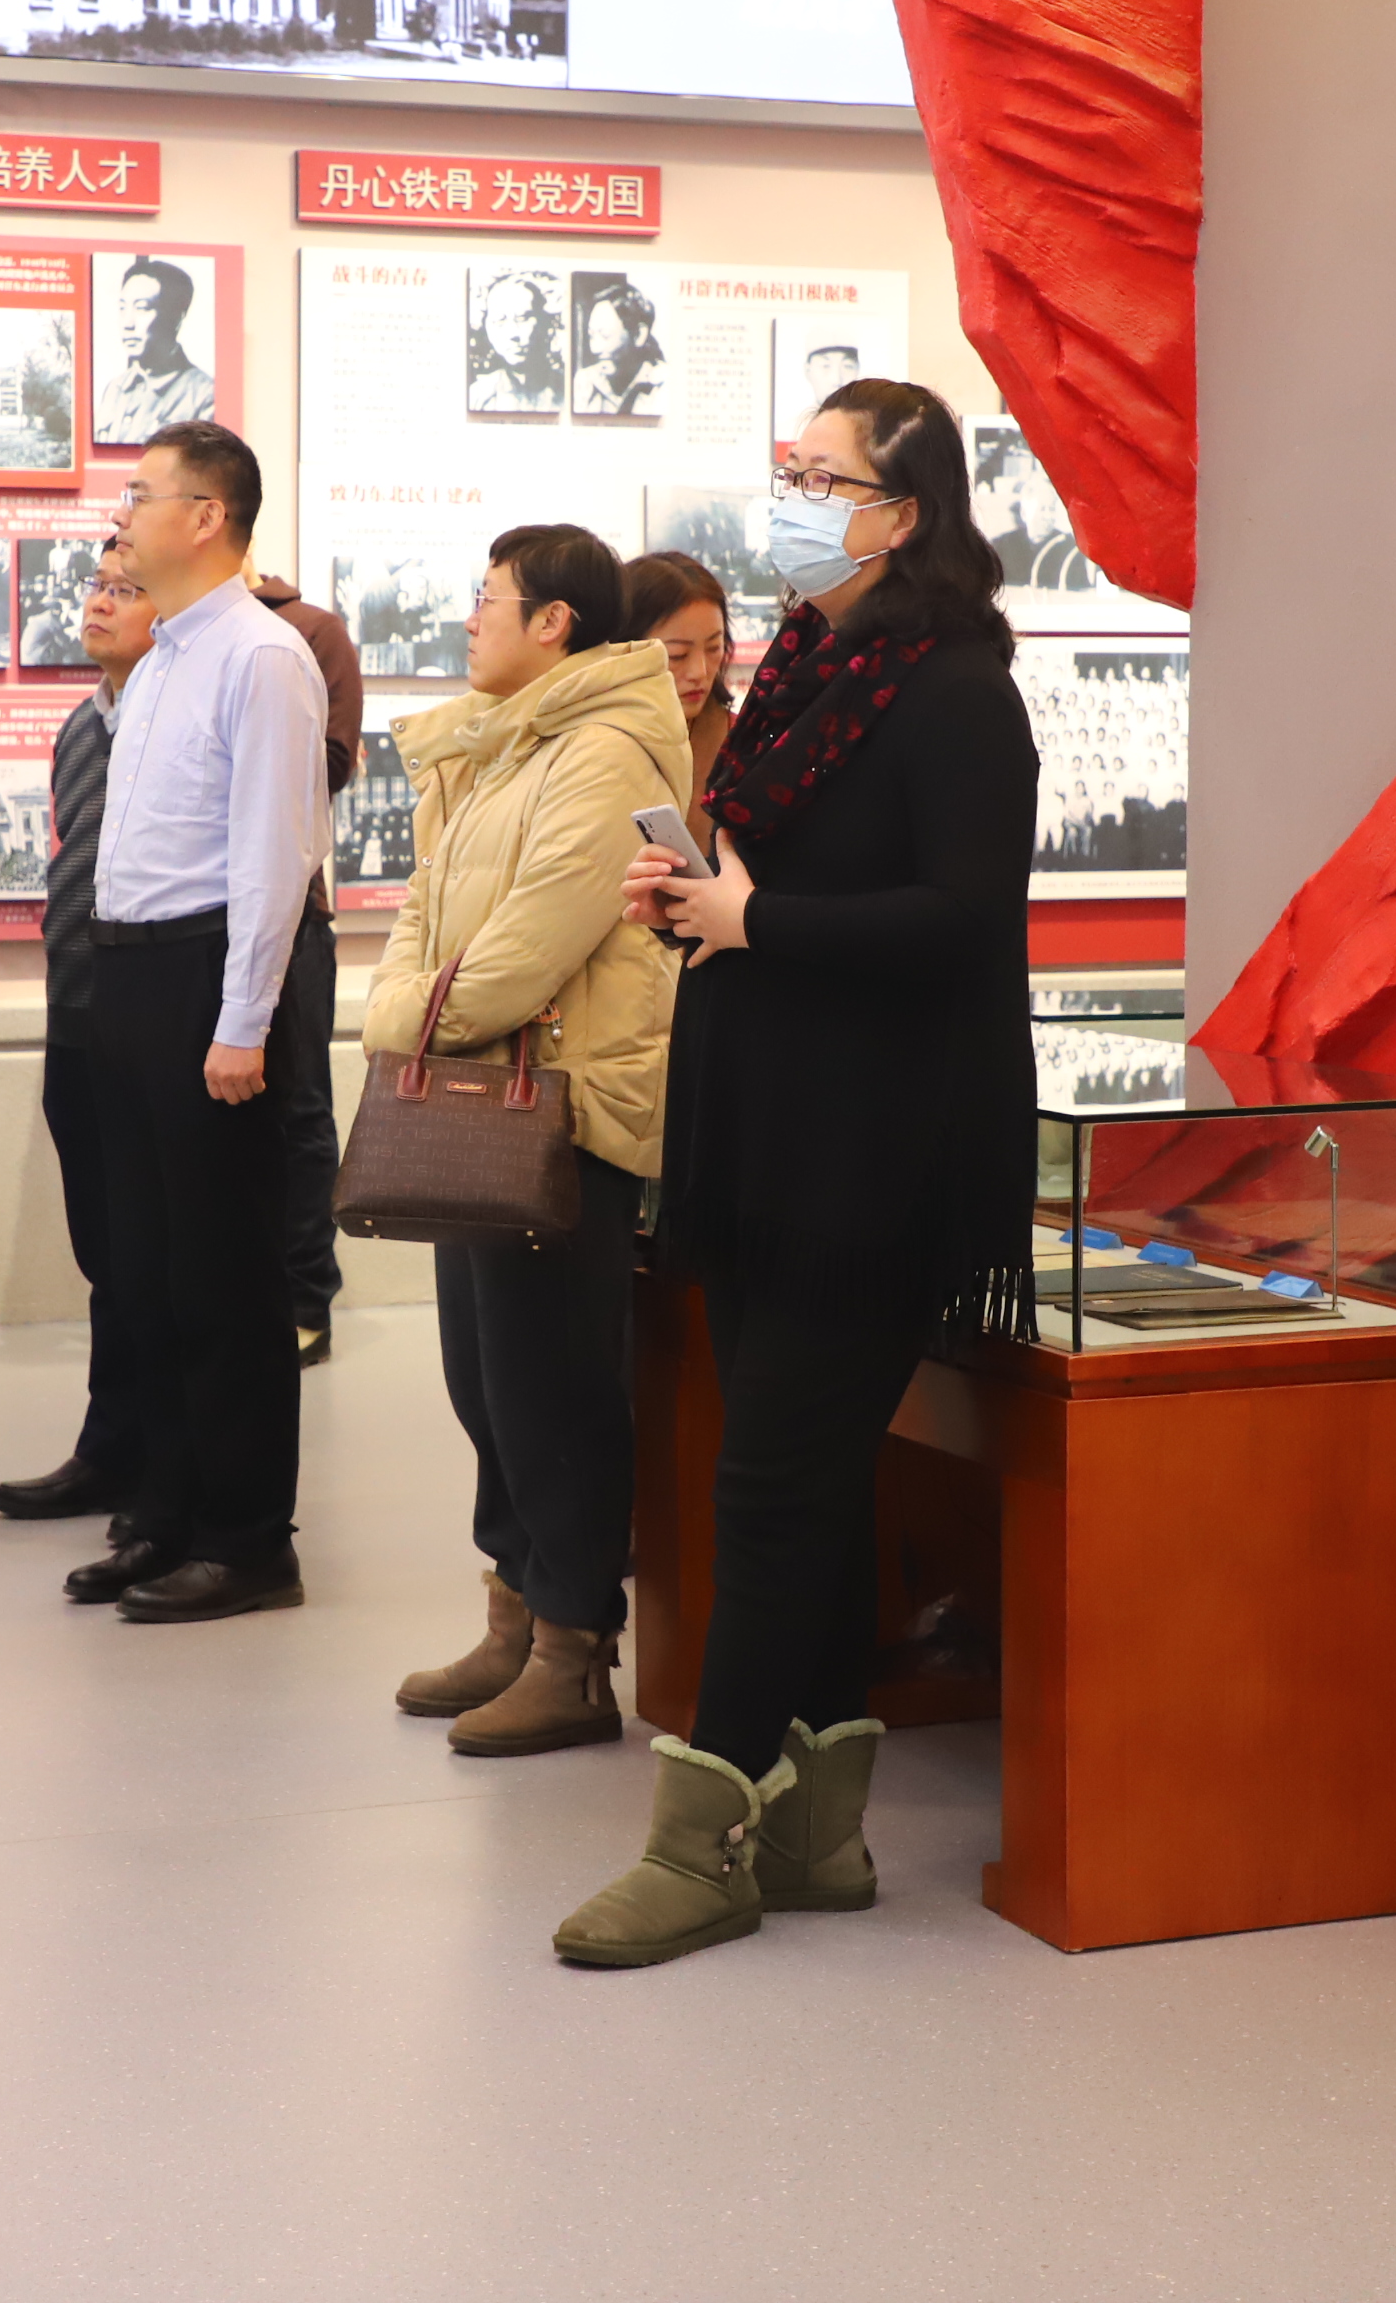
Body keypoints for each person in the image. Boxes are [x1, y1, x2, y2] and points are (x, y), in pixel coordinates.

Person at [568, 377, 1036, 1969]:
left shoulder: (958, 691)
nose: (792, 496)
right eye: (790, 467)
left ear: (902, 515)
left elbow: (961, 920)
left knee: (772, 1486)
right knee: (807, 1489)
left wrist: (754, 918)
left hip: (877, 1157)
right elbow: (789, 885)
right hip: (769, 1133)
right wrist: (694, 898)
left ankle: (698, 1846)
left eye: (823, 477)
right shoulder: (807, 668)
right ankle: (820, 1838)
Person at [369, 524, 688, 1755]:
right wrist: (408, 1002)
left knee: (552, 1388)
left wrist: (397, 1020)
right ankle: (510, 1611)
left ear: (553, 621)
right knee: (483, 1380)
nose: (469, 617)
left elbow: (529, 941)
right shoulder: (504, 742)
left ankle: (572, 1648)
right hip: (477, 1088)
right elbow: (426, 905)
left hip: (559, 1109)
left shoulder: (602, 750)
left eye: (488, 596)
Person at [70, 420, 330, 1622]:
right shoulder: (164, 653)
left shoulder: (261, 655)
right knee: (145, 1269)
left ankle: (247, 1538)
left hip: (203, 978)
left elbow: (272, 855)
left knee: (224, 1278)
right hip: (127, 975)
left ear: (207, 516)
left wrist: (241, 1021)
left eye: (141, 493)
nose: (120, 515)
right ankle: (162, 1513)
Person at [0, 551, 160, 1522]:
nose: (98, 602)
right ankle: (113, 1447)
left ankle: (165, 1465)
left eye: (125, 589)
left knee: (153, 1251)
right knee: (104, 1248)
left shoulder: (178, 717)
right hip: (79, 1009)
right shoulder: (82, 719)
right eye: (96, 585)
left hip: (154, 1012)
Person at [244, 558, 365, 1368]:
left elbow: (328, 767)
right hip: (188, 923)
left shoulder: (309, 631)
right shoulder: (167, 638)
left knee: (297, 1109)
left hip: (289, 912)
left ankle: (303, 1297)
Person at [623, 549, 737, 796]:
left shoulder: (744, 744)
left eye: (714, 648)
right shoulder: (585, 744)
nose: (700, 672)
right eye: (677, 655)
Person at [97, 256, 216, 440]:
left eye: (142, 308)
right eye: (122, 308)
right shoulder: (115, 389)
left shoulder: (204, 395)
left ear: (176, 317)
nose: (128, 323)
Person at [466, 271, 566, 415]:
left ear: (543, 322)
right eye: (499, 320)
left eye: (522, 318)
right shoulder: (479, 395)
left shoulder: (568, 389)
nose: (513, 333)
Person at [576, 281, 666, 418]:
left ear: (638, 335)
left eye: (605, 335)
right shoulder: (584, 382)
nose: (595, 349)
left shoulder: (664, 385)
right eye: (591, 336)